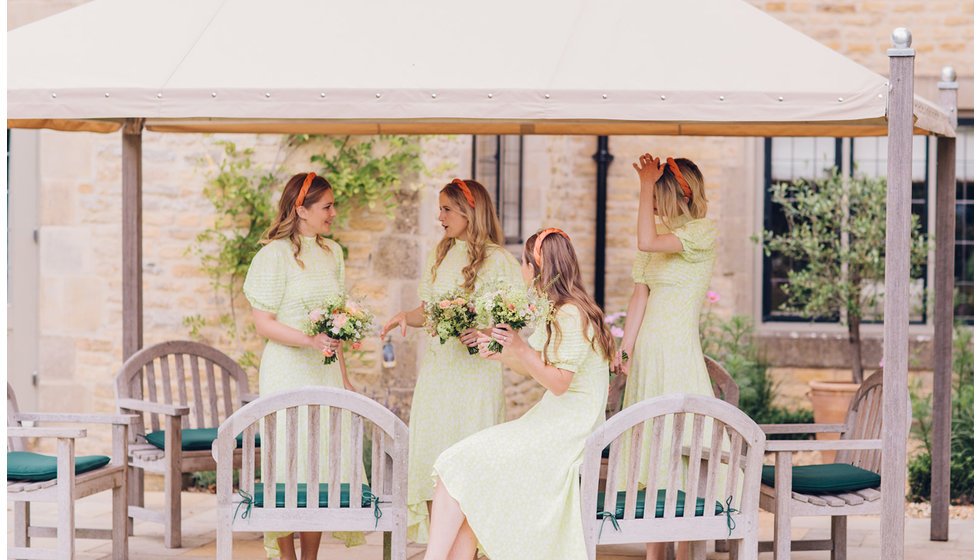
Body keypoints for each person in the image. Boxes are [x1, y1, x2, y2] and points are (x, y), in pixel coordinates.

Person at [423, 228, 615, 560]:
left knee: (456, 463)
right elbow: (539, 368)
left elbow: (559, 383)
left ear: (536, 266)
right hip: (552, 423)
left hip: (568, 433)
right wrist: (504, 354)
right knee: (468, 484)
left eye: (523, 262)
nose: (520, 269)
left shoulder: (571, 314)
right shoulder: (556, 310)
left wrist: (519, 348)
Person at [380, 179, 523, 543]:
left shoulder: (502, 262)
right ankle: (438, 548)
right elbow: (430, 311)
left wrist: (488, 333)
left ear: (468, 211)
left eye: (446, 209)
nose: (439, 216)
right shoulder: (441, 254)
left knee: (471, 465)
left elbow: (516, 321)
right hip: (439, 374)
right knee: (434, 459)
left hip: (476, 377)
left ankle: (468, 550)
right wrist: (403, 316)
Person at [243, 172, 362, 559]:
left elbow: (336, 322)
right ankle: (287, 556)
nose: (333, 212)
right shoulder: (272, 255)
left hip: (324, 371)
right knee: (289, 462)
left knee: (321, 465)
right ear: (302, 209)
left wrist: (343, 377)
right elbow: (264, 323)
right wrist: (309, 340)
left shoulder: (334, 254)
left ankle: (310, 557)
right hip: (286, 372)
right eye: (327, 206)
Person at [611, 154, 717, 560]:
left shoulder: (701, 233)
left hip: (677, 352)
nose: (651, 202)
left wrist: (643, 184)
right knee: (651, 449)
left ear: (674, 193)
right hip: (649, 358)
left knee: (681, 444)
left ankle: (687, 550)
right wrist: (626, 347)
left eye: (656, 195)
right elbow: (640, 295)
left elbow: (645, 241)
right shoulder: (653, 238)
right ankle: (656, 554)